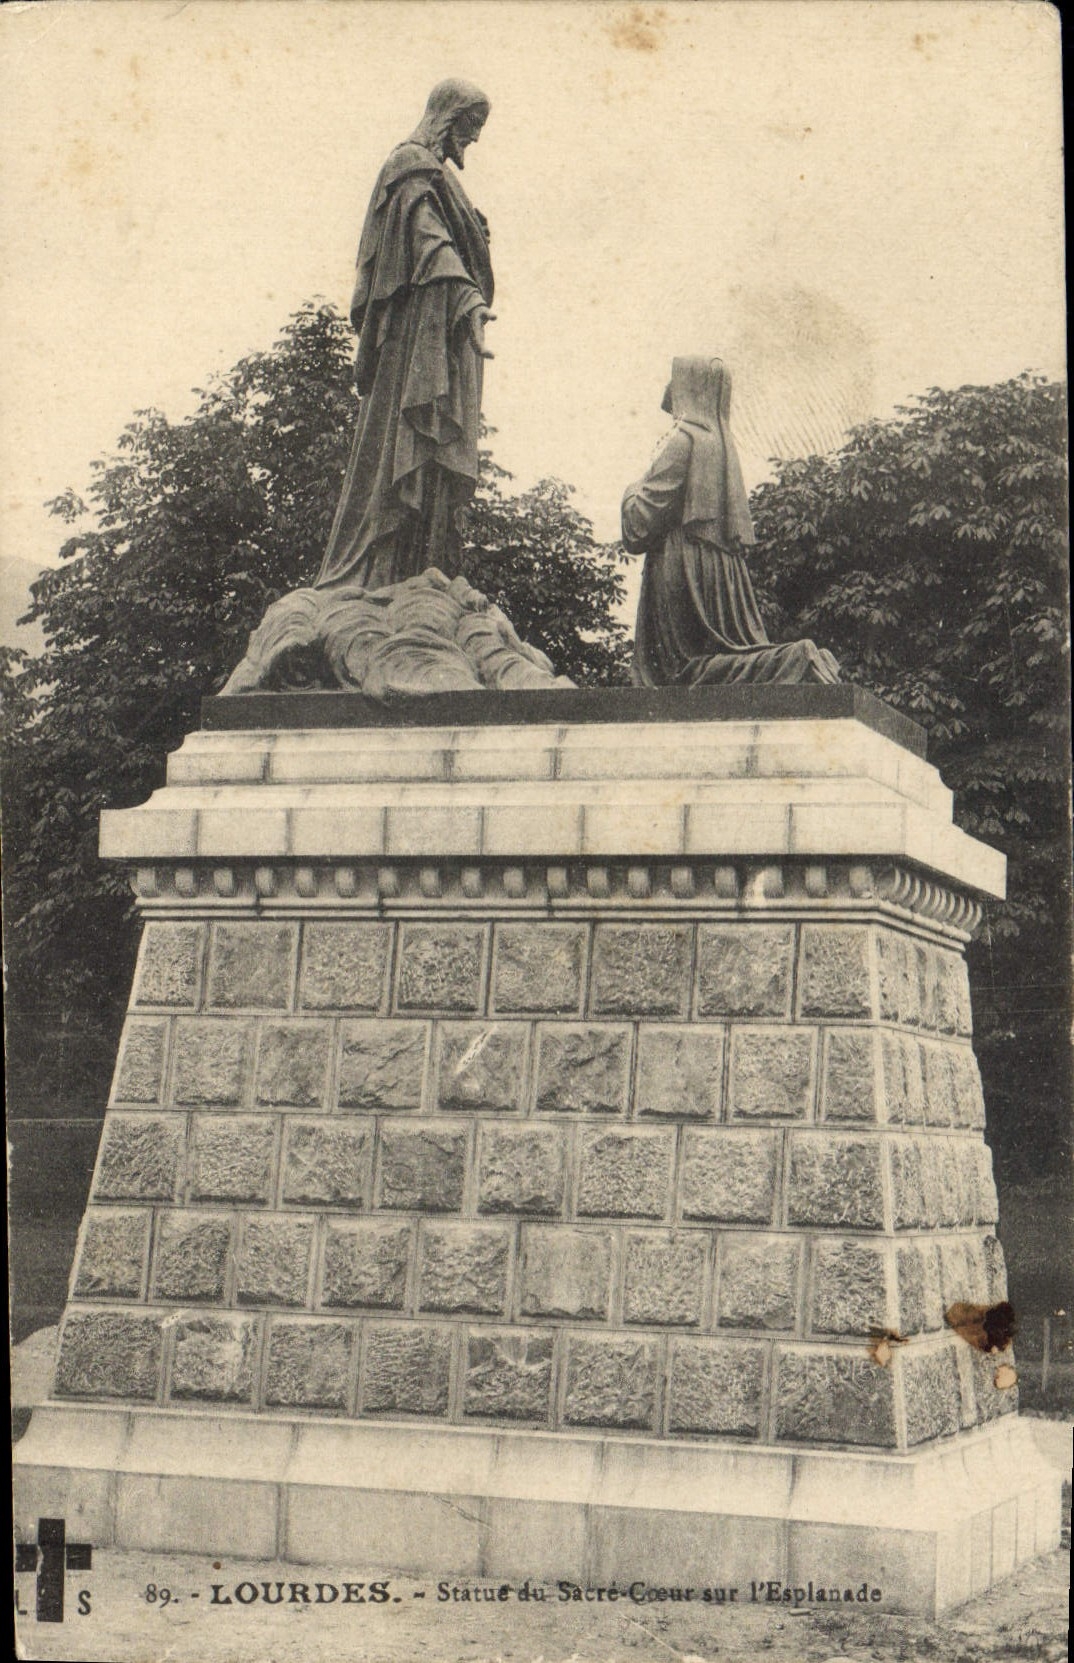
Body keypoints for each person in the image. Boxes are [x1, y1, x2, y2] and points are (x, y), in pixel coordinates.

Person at [315, 80, 495, 591]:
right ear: (448, 117)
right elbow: (427, 239)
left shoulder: (435, 174)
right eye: (472, 125)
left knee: (430, 461)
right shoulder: (411, 167)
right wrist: (466, 296)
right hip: (415, 338)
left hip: (438, 335)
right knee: (401, 446)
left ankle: (418, 573)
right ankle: (377, 574)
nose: (475, 139)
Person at [622, 357, 840, 686]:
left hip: (680, 565)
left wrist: (630, 492)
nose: (669, 391)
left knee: (679, 674)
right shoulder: (720, 446)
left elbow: (639, 527)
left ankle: (794, 660)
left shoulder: (683, 440)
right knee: (705, 664)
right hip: (716, 565)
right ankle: (790, 661)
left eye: (675, 382)